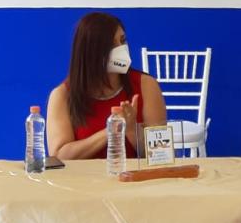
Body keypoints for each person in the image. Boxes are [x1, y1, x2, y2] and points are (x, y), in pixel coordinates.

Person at [47, 12, 167, 160]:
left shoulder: (146, 85)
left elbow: (161, 154)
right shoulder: (62, 95)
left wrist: (131, 130)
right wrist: (111, 129)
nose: (121, 49)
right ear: (90, 52)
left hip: (132, 174)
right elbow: (59, 156)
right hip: (84, 175)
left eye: (122, 41)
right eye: (111, 45)